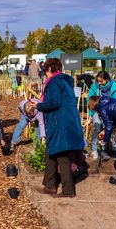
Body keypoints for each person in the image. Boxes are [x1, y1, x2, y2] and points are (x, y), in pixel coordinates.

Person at [31, 58, 84, 198]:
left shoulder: (55, 82)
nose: (45, 74)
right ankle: (49, 185)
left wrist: (38, 105)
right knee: (51, 152)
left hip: (60, 122)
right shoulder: (65, 81)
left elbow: (53, 102)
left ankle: (68, 191)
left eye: (45, 71)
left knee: (61, 155)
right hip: (66, 121)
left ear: (49, 69)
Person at [88, 96, 116, 185]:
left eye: (93, 110)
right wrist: (106, 131)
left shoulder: (102, 107)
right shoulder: (109, 102)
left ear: (94, 106)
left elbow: (108, 126)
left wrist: (104, 140)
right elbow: (115, 120)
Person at [87, 71, 116, 160]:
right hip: (96, 110)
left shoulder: (114, 87)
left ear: (107, 80)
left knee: (106, 129)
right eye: (98, 81)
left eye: (101, 81)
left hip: (109, 112)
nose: (99, 83)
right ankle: (94, 150)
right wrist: (92, 111)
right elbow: (90, 98)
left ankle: (103, 150)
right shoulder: (95, 86)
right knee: (98, 127)